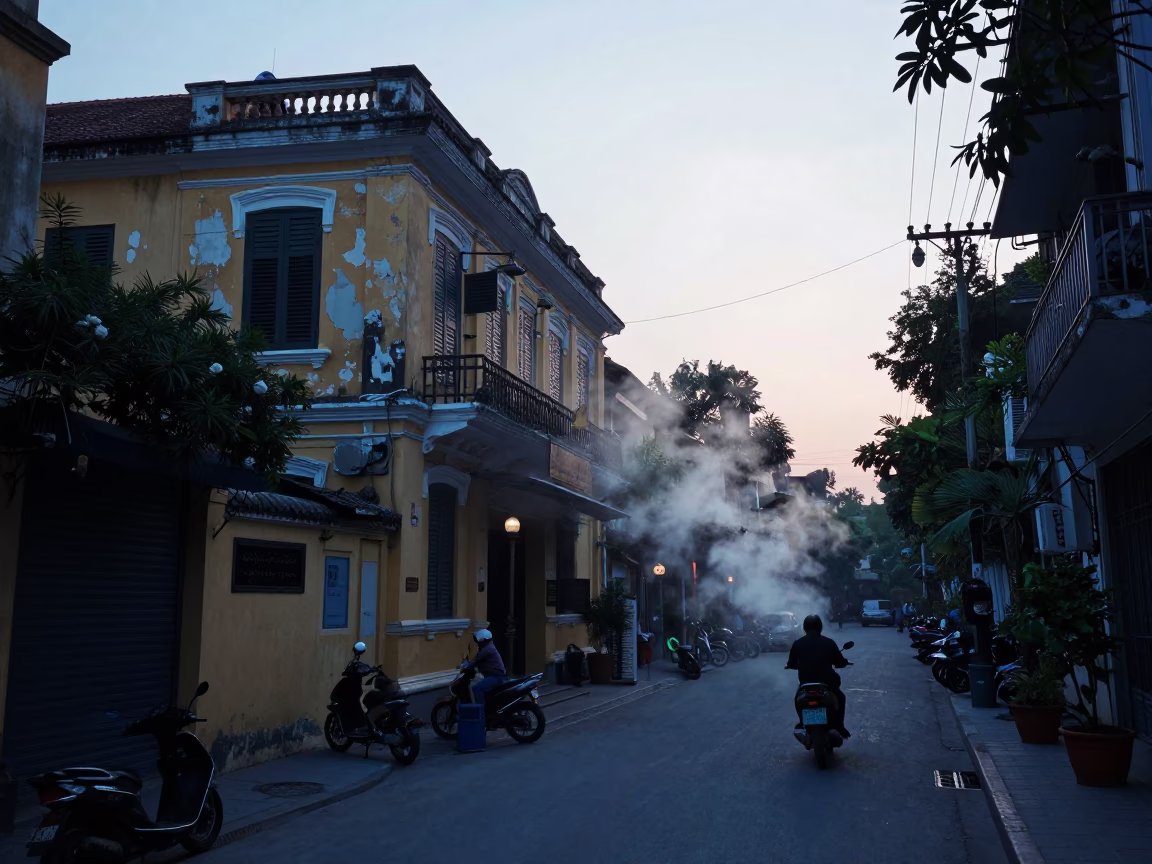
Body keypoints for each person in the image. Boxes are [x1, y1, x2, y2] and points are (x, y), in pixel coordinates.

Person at [786, 614, 852, 738]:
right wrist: (844, 662)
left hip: (806, 682)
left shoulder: (798, 643)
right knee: (840, 697)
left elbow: (791, 664)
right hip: (827, 682)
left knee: (797, 698)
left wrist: (794, 665)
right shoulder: (829, 642)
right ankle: (839, 726)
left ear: (804, 628)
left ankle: (802, 722)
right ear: (820, 627)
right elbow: (839, 662)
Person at [466, 629, 507, 705]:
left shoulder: (487, 649)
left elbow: (475, 661)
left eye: (477, 640)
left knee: (476, 688)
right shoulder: (487, 647)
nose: (476, 642)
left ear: (482, 639)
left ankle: (481, 711)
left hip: (496, 677)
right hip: (495, 676)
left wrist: (464, 666)